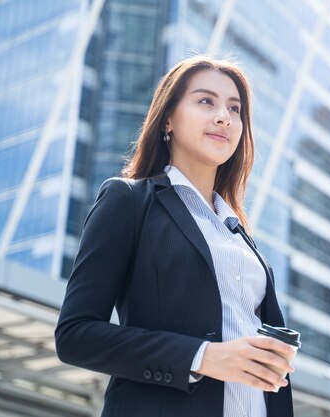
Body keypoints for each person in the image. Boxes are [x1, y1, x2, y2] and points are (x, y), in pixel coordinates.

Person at [55, 56, 295, 417]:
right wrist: (202, 357)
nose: (223, 117)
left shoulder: (240, 235)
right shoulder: (129, 200)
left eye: (235, 108)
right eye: (205, 101)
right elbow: (75, 335)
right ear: (168, 118)